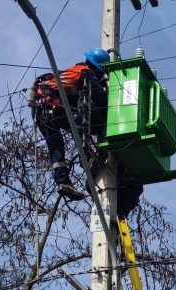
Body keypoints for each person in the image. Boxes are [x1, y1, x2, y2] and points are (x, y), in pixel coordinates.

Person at [30, 47, 109, 201]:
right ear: (98, 67)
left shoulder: (70, 71)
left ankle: (63, 183)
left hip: (39, 110)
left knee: (56, 143)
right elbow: (100, 96)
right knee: (80, 124)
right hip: (52, 106)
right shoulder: (86, 72)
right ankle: (87, 158)